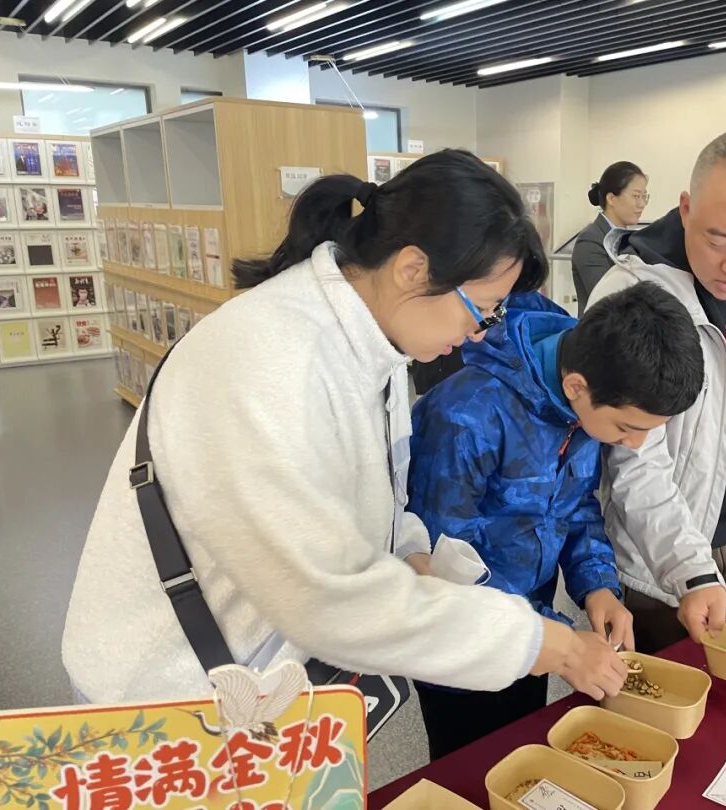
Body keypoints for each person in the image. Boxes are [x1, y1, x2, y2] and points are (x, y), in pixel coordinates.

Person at [61, 150, 626, 706]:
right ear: (412, 269)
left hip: (257, 675)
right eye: (482, 307)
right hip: (166, 691)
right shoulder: (271, 361)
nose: (481, 331)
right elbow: (324, 598)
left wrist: (413, 557)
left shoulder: (374, 343)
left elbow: (381, 493)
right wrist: (545, 644)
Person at [407, 281, 704, 759]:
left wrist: (597, 585)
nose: (635, 445)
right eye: (628, 428)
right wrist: (559, 640)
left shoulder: (581, 395)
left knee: (525, 747)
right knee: (472, 765)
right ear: (575, 387)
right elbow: (442, 560)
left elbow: (577, 504)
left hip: (538, 630)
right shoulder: (467, 415)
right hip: (465, 643)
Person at [586, 127, 726, 654]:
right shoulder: (633, 296)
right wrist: (689, 568)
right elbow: (632, 458)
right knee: (657, 691)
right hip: (655, 553)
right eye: (717, 239)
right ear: (686, 209)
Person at [572, 161, 648, 314]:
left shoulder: (631, 239)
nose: (642, 204)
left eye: (644, 196)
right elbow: (607, 298)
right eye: (636, 196)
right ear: (611, 198)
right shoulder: (590, 240)